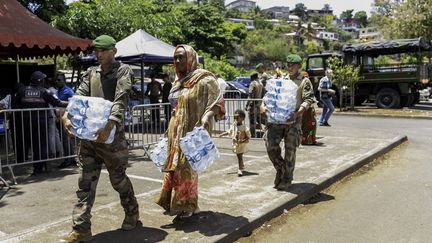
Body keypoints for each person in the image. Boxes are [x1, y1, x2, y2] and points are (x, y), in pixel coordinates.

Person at [61, 35, 140, 243]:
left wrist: (110, 124)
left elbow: (120, 100)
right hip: (89, 138)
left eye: (103, 50)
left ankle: (132, 212)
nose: (98, 54)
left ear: (113, 51)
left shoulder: (123, 71)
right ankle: (81, 229)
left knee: (119, 180)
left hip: (111, 138)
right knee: (85, 184)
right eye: (96, 50)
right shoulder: (91, 73)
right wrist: (66, 114)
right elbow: (79, 97)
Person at [156, 44, 225, 222]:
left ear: (191, 58)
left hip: (191, 131)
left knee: (187, 169)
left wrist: (208, 116)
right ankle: (175, 202)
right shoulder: (177, 81)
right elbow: (175, 108)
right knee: (174, 168)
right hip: (175, 130)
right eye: (176, 57)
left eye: (181, 57)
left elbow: (217, 100)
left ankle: (189, 205)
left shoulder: (204, 78)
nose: (178, 60)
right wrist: (168, 131)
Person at [261, 54, 315, 190]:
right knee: (270, 145)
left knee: (290, 150)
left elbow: (308, 100)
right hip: (277, 119)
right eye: (288, 65)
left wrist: (297, 113)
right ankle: (281, 169)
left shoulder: (304, 81)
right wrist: (263, 106)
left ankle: (287, 178)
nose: (290, 67)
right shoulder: (280, 78)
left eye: (293, 65)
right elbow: (270, 95)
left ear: (299, 66)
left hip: (293, 120)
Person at [12, 71, 67, 174]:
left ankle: (38, 166)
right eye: (43, 80)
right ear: (40, 81)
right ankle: (38, 168)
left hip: (26, 124)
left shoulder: (22, 91)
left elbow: (16, 106)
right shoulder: (44, 92)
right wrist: (72, 103)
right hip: (41, 123)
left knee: (32, 145)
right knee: (41, 145)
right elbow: (57, 102)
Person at [219, 109, 251, 176]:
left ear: (242, 119)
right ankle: (242, 166)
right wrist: (222, 134)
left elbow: (248, 136)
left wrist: (244, 139)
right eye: (234, 118)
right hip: (236, 144)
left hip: (241, 144)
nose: (235, 119)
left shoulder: (244, 127)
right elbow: (229, 131)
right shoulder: (234, 126)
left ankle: (240, 169)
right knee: (239, 156)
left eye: (237, 118)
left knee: (239, 156)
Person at [55, 73, 77, 168]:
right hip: (59, 118)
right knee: (64, 139)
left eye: (59, 80)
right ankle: (70, 158)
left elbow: (74, 102)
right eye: (56, 80)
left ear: (64, 80)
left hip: (66, 118)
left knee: (65, 139)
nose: (57, 81)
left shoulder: (68, 91)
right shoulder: (58, 91)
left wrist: (60, 103)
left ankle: (68, 159)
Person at [300, 71, 318, 145]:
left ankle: (308, 139)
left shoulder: (304, 82)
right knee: (308, 124)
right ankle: (306, 140)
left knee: (310, 124)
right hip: (306, 108)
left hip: (307, 108)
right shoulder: (305, 83)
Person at [245, 72, 263, 138]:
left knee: (252, 121)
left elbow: (250, 95)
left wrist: (247, 105)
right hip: (258, 104)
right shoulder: (260, 83)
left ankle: (252, 135)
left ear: (252, 77)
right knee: (258, 120)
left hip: (253, 105)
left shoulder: (253, 84)